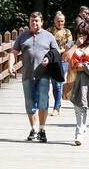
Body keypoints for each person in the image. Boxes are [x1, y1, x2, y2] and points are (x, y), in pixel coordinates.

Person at [12, 12, 60, 142]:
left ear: (42, 22)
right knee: (30, 103)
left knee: (43, 102)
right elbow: (14, 52)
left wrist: (49, 60)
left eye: (36, 21)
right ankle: (33, 129)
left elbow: (56, 53)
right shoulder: (23, 36)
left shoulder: (49, 36)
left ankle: (42, 129)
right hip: (27, 74)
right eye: (32, 21)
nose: (34, 23)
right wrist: (11, 65)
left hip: (44, 75)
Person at [63, 22, 89, 146]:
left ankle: (80, 132)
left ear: (88, 35)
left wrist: (84, 66)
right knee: (77, 106)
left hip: (87, 81)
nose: (81, 37)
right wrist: (76, 46)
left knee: (83, 105)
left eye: (84, 35)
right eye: (79, 34)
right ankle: (80, 130)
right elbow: (65, 58)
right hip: (73, 79)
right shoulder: (72, 45)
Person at [50, 11, 72, 114]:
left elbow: (70, 45)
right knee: (54, 84)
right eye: (58, 21)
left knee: (58, 83)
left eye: (62, 21)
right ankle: (57, 103)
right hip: (51, 60)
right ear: (54, 21)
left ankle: (57, 107)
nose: (60, 23)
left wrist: (60, 51)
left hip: (63, 60)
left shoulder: (67, 32)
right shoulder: (49, 31)